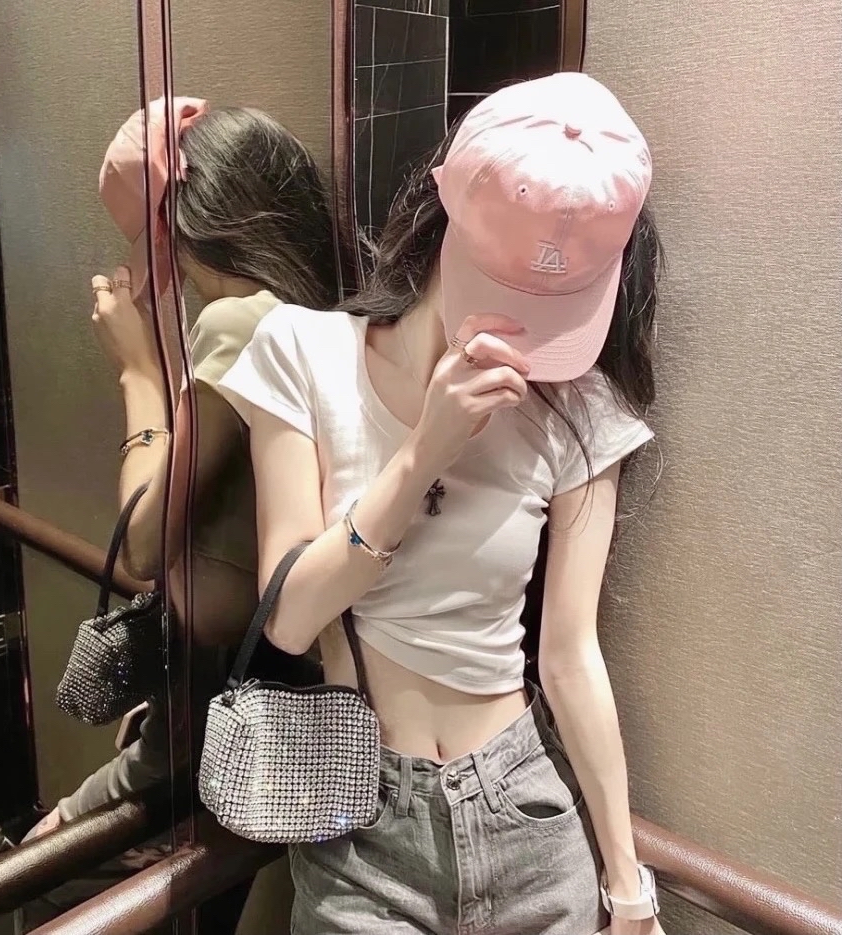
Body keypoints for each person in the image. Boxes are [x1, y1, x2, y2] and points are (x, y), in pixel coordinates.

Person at [218, 72, 666, 935]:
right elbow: (288, 616)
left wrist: (626, 886)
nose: (528, 331)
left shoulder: (576, 408)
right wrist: (424, 451)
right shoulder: (302, 352)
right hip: (361, 825)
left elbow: (570, 655)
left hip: (525, 812)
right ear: (442, 210)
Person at [24, 100, 346, 934]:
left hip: (212, 704)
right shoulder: (332, 310)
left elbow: (143, 541)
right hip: (285, 694)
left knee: (48, 876)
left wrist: (136, 374)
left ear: (192, 228)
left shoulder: (239, 321)